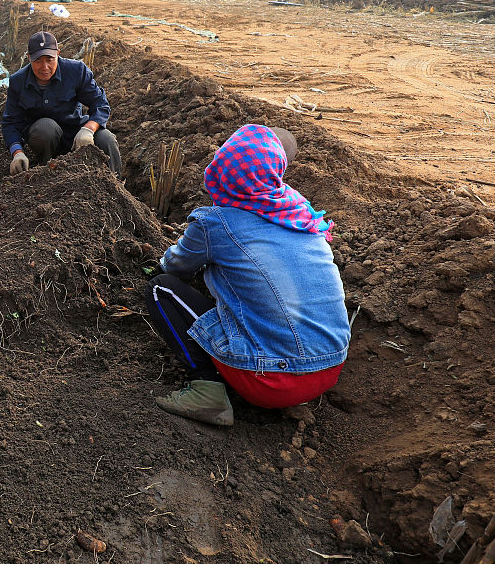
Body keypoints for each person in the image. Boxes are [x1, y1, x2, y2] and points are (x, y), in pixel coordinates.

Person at [144, 125, 349, 427]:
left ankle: (207, 390)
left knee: (161, 290)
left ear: (220, 171)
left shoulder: (214, 224)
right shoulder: (300, 213)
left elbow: (175, 267)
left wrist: (158, 262)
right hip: (330, 366)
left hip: (270, 382)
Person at [1, 31, 121, 175]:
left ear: (58, 53)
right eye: (38, 61)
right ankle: (46, 175)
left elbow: (100, 103)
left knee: (106, 138)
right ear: (29, 58)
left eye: (49, 59)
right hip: (44, 140)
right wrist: (17, 152)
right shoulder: (18, 81)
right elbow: (10, 122)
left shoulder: (76, 71)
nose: (44, 67)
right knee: (46, 128)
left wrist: (88, 129)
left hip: (75, 134)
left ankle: (115, 185)